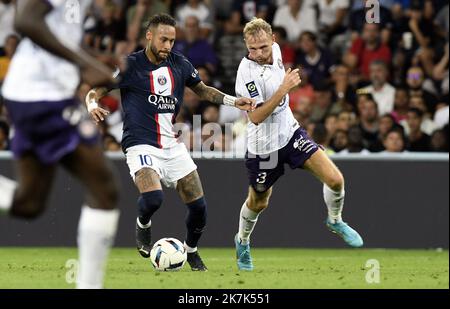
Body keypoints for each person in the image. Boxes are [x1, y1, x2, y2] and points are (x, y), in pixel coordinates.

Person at [86, 13, 254, 271]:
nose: (168, 46)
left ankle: (191, 251)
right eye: (163, 39)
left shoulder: (180, 64)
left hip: (172, 146)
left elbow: (203, 89)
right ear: (149, 36)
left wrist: (233, 101)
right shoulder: (131, 65)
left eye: (172, 41)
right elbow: (99, 88)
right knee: (153, 199)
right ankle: (143, 225)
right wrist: (92, 103)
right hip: (140, 143)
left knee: (199, 208)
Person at [0, 0, 120, 289]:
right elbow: (26, 20)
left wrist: (97, 57)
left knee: (29, 204)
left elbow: (59, 33)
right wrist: (84, 64)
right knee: (104, 189)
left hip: (39, 94)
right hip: (42, 95)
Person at [233, 18, 363, 271]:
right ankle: (243, 240)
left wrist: (283, 89)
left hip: (291, 135)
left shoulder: (278, 52)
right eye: (252, 49)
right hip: (264, 148)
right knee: (259, 202)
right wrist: (283, 89)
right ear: (246, 46)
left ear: (273, 40)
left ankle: (335, 220)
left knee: (335, 180)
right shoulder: (245, 73)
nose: (258, 54)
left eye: (263, 47)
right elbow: (257, 117)